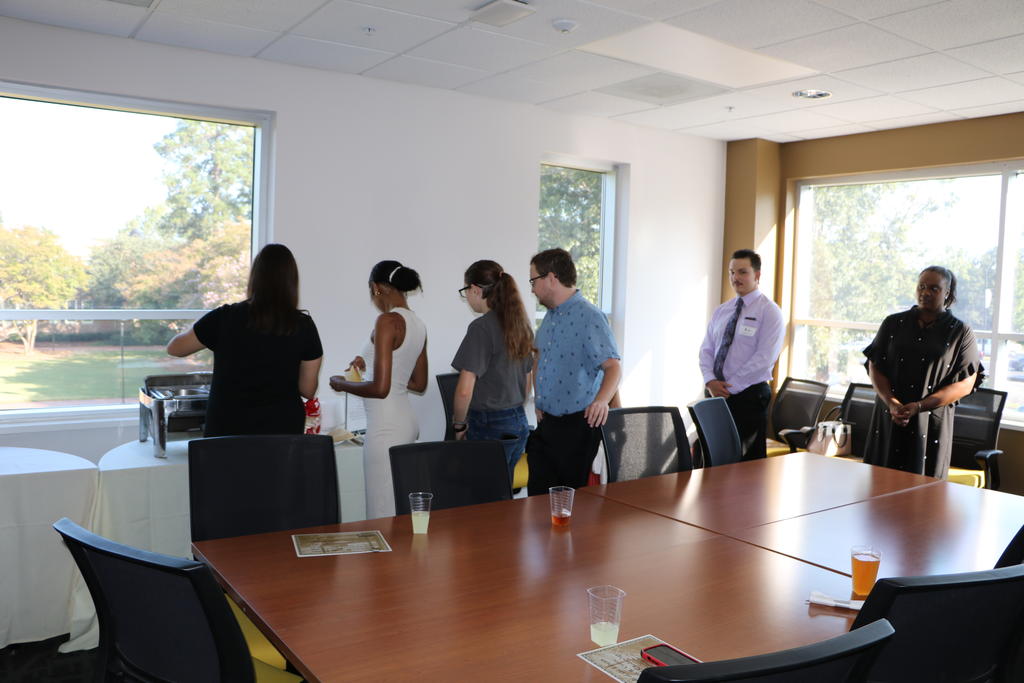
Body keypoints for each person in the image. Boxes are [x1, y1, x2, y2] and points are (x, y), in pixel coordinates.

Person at [166, 243, 323, 437]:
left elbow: (175, 348)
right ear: (291, 282)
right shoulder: (303, 325)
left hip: (226, 432)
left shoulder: (224, 317)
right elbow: (307, 390)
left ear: (255, 279)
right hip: (281, 432)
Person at [329, 260, 428, 519]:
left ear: (376, 288)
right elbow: (419, 383)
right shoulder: (417, 323)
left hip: (385, 427)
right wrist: (371, 366)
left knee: (382, 512)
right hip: (405, 422)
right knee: (399, 510)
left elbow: (380, 388)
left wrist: (341, 383)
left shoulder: (386, 321)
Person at [863, 266, 982, 478]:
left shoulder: (960, 332)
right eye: (922, 286)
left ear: (948, 293)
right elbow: (875, 364)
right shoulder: (893, 323)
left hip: (931, 422)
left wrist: (920, 406)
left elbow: (966, 383)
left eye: (934, 288)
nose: (925, 292)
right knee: (878, 490)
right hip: (890, 416)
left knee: (924, 498)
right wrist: (891, 402)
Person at [527, 248, 621, 495]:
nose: (532, 288)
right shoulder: (550, 318)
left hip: (577, 427)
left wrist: (602, 401)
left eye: (533, 280)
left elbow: (613, 366)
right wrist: (539, 398)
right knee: (537, 501)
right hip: (547, 424)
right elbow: (539, 358)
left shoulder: (590, 316)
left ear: (551, 278)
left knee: (572, 508)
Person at [451, 260, 534, 485]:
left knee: (481, 498)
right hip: (518, 422)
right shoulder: (520, 325)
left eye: (465, 291)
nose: (466, 296)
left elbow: (465, 390)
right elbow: (528, 382)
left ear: (476, 289)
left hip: (488, 426)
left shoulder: (481, 328)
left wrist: (459, 425)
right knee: (501, 494)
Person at [698, 248, 785, 460]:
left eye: (742, 272)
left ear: (757, 275)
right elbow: (706, 349)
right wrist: (710, 381)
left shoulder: (769, 311)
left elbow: (764, 358)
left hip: (748, 395)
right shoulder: (722, 311)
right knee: (712, 457)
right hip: (715, 393)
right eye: (731, 272)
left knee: (745, 465)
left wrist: (730, 387)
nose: (735, 278)